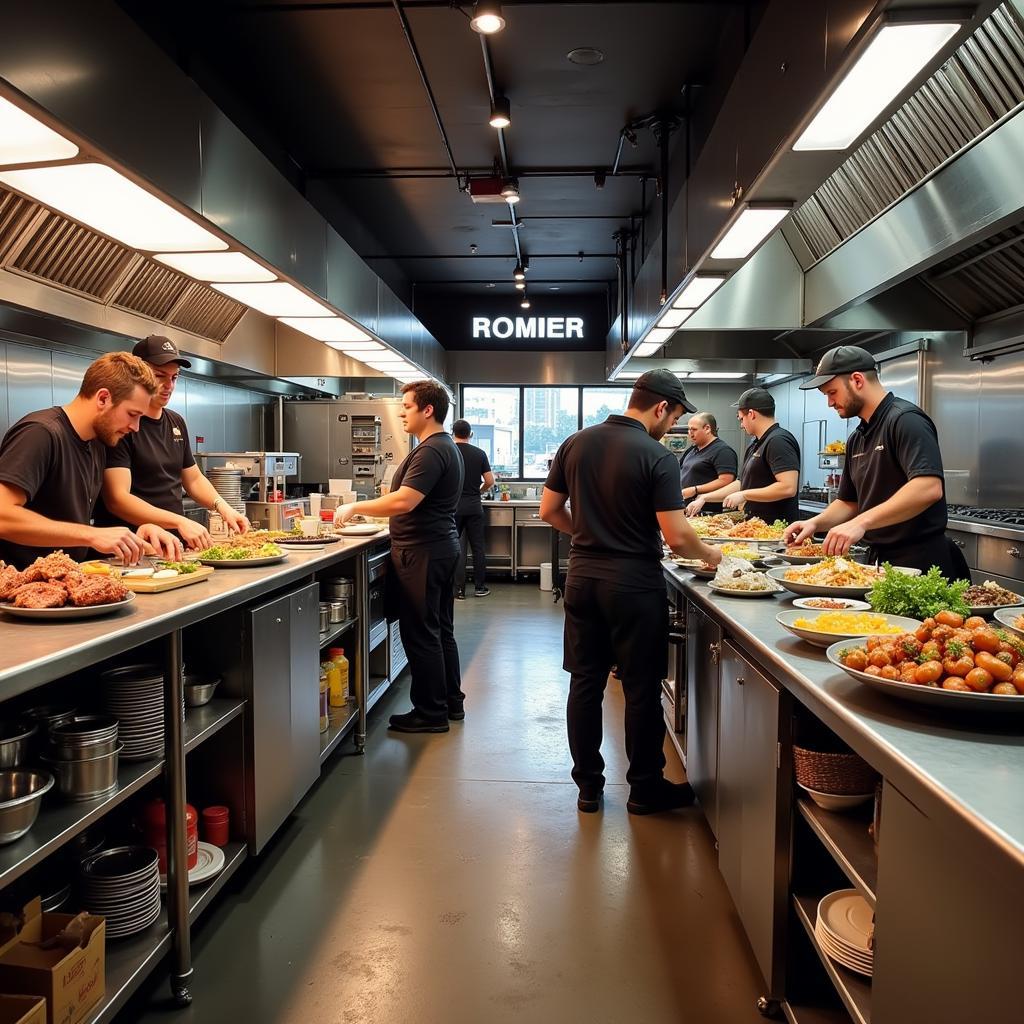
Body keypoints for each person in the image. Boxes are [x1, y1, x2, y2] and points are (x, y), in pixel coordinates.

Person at [540, 369, 723, 815]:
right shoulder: (656, 456)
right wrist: (712, 555)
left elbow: (549, 510)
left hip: (582, 578)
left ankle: (588, 789)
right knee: (641, 688)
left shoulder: (576, 442)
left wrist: (586, 534)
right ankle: (644, 789)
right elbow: (678, 537)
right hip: (634, 584)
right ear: (661, 407)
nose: (673, 425)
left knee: (585, 683)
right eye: (675, 415)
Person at [336, 381, 464, 732]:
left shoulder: (431, 451)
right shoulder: (441, 447)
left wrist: (354, 506)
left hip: (422, 552)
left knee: (421, 634)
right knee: (439, 631)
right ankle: (450, 702)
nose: (402, 413)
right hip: (437, 548)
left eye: (406, 407)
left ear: (427, 410)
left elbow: (405, 500)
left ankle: (431, 713)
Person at [784, 345, 970, 579]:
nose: (830, 403)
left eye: (832, 392)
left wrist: (861, 523)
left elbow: (928, 488)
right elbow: (849, 502)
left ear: (857, 380)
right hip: (879, 563)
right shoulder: (857, 437)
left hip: (920, 563)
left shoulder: (905, 420)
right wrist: (815, 523)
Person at [0, 352, 183, 568]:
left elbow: (74, 532)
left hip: (68, 582)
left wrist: (138, 536)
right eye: (133, 414)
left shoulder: (97, 444)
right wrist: (90, 535)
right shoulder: (42, 433)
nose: (135, 427)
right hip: (20, 589)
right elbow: (3, 515)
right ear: (103, 398)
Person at [96, 335, 250, 547]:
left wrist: (222, 506)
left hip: (173, 547)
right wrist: (179, 521)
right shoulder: (122, 425)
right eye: (160, 376)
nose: (168, 385)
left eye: (174, 378)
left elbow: (193, 479)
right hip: (133, 549)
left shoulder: (175, 422)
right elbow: (117, 499)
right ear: (137, 375)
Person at [686, 388, 799, 524]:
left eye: (741, 419)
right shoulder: (755, 443)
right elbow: (742, 484)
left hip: (776, 529)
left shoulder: (778, 441)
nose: (741, 425)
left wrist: (745, 495)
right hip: (756, 526)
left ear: (751, 414)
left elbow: (788, 487)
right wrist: (704, 498)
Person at [451, 419, 495, 600]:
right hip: (474, 506)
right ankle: (479, 587)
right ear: (470, 434)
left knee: (455, 548)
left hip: (453, 508)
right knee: (478, 548)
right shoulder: (479, 453)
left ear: (452, 433)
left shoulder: (448, 452)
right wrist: (479, 490)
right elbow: (490, 481)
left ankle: (458, 590)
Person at [679, 412, 737, 514]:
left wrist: (695, 490)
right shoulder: (692, 450)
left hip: (708, 511)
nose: (690, 433)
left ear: (707, 429)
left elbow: (726, 480)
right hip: (687, 508)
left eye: (694, 429)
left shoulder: (723, 451)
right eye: (689, 429)